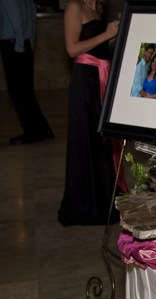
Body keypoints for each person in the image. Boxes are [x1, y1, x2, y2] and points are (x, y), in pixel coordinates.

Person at [58, 0, 120, 226]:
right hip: (85, 79)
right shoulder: (75, 6)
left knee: (101, 140)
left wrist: (114, 34)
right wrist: (107, 34)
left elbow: (97, 45)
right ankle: (86, 205)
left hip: (99, 76)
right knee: (87, 137)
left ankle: (104, 199)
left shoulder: (96, 7)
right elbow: (72, 48)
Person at [0, 0, 54, 144]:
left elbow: (16, 20)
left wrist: (19, 46)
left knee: (18, 92)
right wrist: (29, 44)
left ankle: (31, 132)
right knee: (27, 91)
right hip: (25, 44)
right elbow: (32, 22)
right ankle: (42, 128)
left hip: (15, 45)